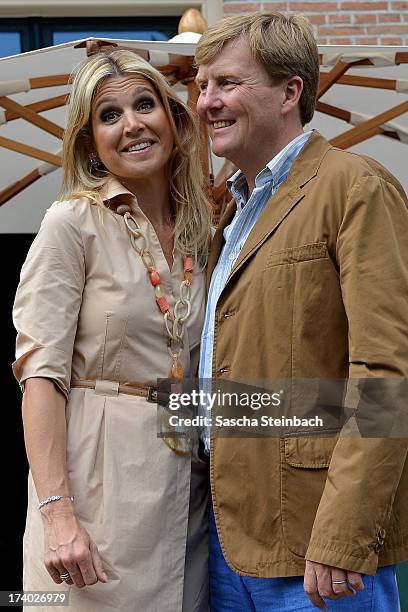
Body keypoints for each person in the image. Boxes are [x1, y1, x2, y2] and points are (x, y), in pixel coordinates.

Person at [194, 11, 408, 611]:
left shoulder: (356, 187)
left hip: (319, 549)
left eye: (228, 83)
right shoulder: (231, 214)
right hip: (226, 540)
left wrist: (343, 535)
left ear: (290, 91)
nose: (207, 100)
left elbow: (387, 376)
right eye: (202, 84)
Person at [12, 49, 212, 612]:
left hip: (186, 491)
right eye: (109, 115)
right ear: (89, 143)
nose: (132, 125)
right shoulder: (70, 224)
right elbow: (40, 376)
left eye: (145, 105)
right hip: (94, 494)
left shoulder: (206, 232)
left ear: (172, 120)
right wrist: (57, 515)